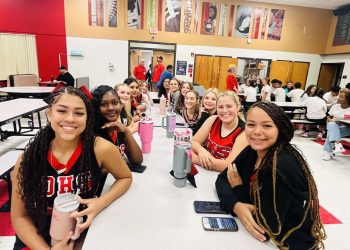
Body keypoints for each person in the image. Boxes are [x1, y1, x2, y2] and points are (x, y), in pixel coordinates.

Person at [11, 87, 132, 249]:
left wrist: (100, 203)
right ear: (49, 114)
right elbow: (19, 217)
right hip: (35, 239)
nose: (70, 119)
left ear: (88, 117)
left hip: (80, 235)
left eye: (79, 113)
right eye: (61, 111)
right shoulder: (29, 158)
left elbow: (125, 177)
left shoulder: (100, 149)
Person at [216, 101, 326, 249]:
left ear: (280, 129)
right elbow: (223, 178)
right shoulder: (252, 151)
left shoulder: (281, 166)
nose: (256, 131)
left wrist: (237, 187)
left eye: (267, 126)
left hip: (287, 243)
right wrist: (236, 205)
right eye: (251, 124)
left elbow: (266, 226)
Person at [192, 91, 248, 172]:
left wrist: (197, 159)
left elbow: (228, 165)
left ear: (238, 107)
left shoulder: (243, 132)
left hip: (222, 178)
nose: (224, 111)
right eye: (220, 107)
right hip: (202, 173)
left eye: (229, 106)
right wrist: (201, 150)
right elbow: (193, 141)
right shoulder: (212, 120)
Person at [92, 85, 143, 164]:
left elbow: (137, 160)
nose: (111, 108)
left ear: (120, 104)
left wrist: (126, 131)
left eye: (115, 103)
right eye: (104, 104)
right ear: (96, 108)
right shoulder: (93, 133)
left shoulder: (118, 129)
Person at [323, 88, 350, 161]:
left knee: (331, 132)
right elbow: (329, 118)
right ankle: (337, 145)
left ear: (347, 99)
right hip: (336, 127)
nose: (338, 98)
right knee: (332, 125)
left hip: (348, 128)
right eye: (339, 96)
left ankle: (328, 152)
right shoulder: (335, 107)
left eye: (341, 97)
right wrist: (331, 120)